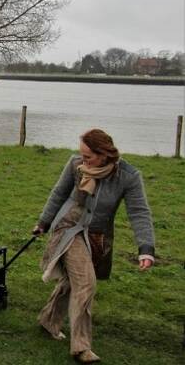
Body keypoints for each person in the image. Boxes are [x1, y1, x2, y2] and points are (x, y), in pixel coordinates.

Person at [33, 129, 155, 363]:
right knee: (86, 283)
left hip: (98, 236)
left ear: (104, 154)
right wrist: (44, 222)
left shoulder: (128, 177)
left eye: (88, 156)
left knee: (73, 281)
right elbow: (58, 194)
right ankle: (81, 347)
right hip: (69, 228)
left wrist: (146, 249)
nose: (83, 160)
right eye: (82, 155)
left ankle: (49, 320)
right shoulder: (75, 164)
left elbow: (139, 213)